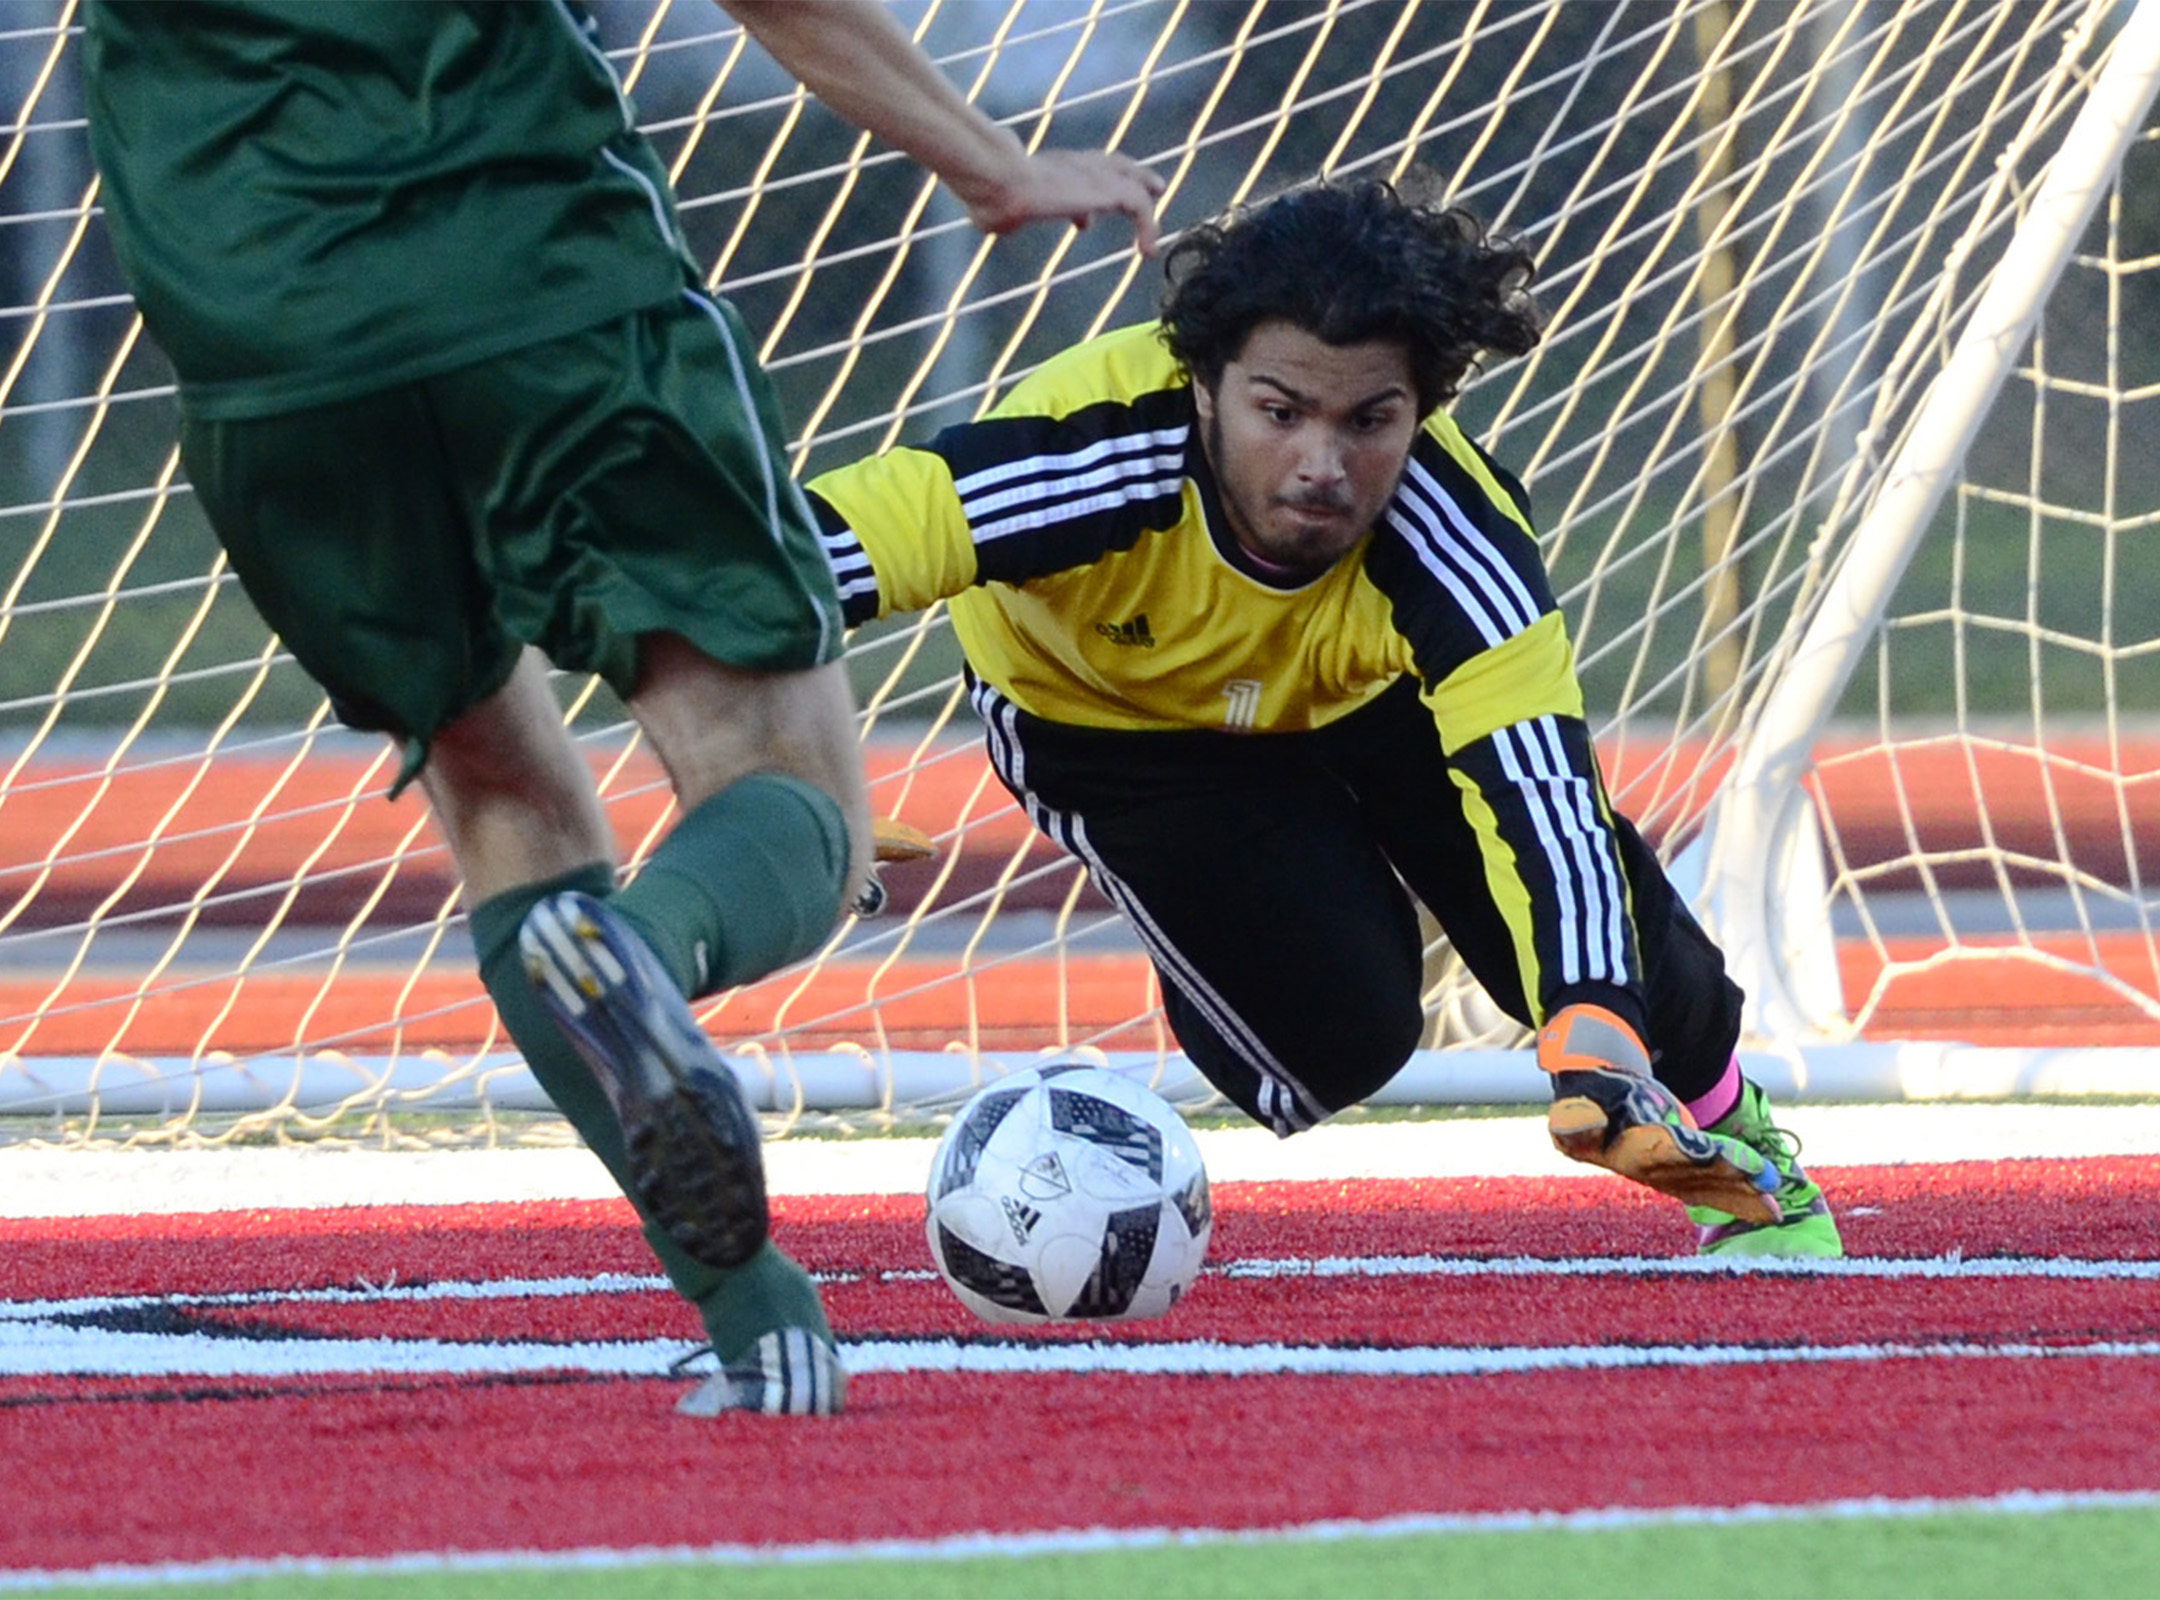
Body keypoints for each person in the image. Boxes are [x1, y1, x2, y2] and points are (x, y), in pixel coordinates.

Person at [78, 0, 1165, 1419]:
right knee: (790, 785)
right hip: (544, 280)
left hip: (262, 347)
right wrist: (988, 162)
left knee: (501, 791)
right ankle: (646, 957)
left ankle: (759, 1321)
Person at [810, 177, 1842, 1259]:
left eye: (1370, 422)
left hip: (1371, 700)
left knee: (1589, 930)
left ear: (1423, 409)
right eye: (1281, 411)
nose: (1320, 463)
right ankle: (1297, 862)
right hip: (1114, 728)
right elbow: (790, 567)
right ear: (1205, 386)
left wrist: (1601, 1037)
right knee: (1339, 1044)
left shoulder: (1460, 543)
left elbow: (1551, 808)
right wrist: (788, 770)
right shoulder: (1085, 451)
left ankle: (1747, 1159)